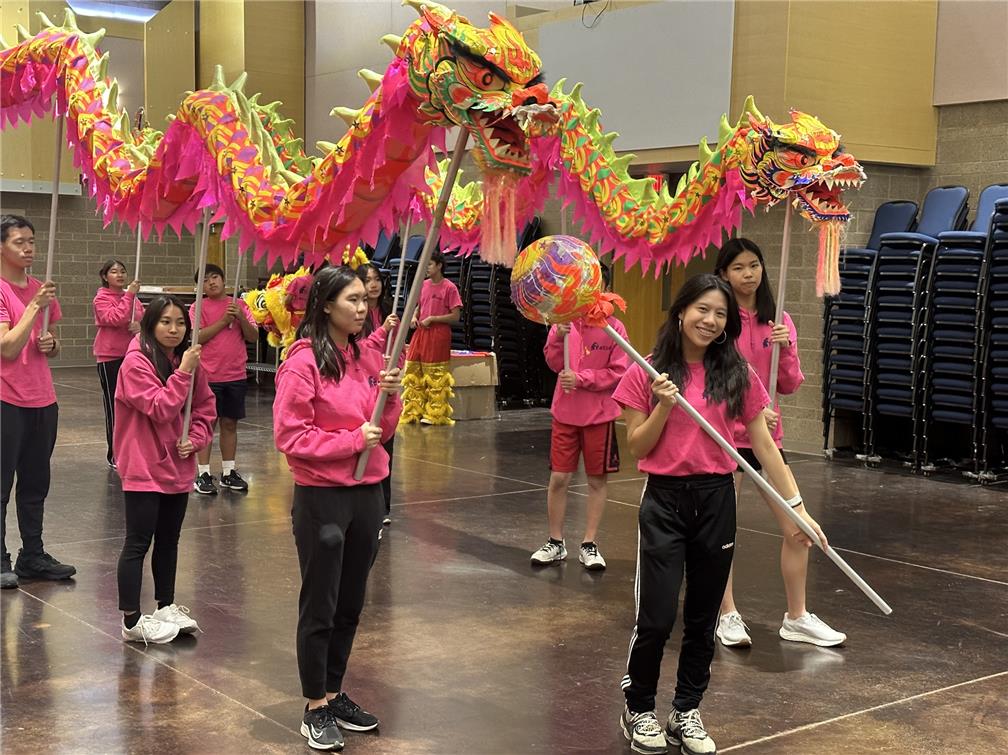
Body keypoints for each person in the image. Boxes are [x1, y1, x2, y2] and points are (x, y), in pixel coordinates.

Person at [611, 274, 828, 755]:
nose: (710, 321)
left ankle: (687, 709)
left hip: (716, 497)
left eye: (721, 315)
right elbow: (637, 445)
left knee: (704, 617)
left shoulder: (738, 374)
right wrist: (664, 407)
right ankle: (639, 708)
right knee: (657, 615)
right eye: (702, 310)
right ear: (682, 311)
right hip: (664, 499)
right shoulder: (644, 372)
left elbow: (766, 447)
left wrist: (798, 510)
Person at [273, 266, 402, 751]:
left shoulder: (363, 357)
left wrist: (389, 399)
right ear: (326, 305)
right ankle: (314, 706)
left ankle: (333, 690)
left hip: (368, 493)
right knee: (321, 603)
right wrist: (352, 440)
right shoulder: (302, 362)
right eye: (351, 299)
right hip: (322, 495)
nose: (362, 306)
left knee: (351, 602)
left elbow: (383, 430)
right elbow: (289, 435)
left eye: (364, 300)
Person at [713, 238, 846, 648]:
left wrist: (786, 350)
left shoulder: (777, 319)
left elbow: (787, 384)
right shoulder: (717, 320)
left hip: (768, 440)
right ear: (723, 275)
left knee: (798, 528)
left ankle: (797, 616)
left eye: (754, 265)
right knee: (722, 533)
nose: (748, 274)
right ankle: (727, 614)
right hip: (724, 438)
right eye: (738, 267)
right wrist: (748, 412)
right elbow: (709, 385)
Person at [114, 295, 215, 643]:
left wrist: (197, 439)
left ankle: (165, 605)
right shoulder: (135, 363)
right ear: (150, 324)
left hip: (178, 462)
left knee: (169, 540)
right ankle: (130, 621)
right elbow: (160, 407)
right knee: (138, 542)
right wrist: (185, 371)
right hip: (143, 463)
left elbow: (204, 408)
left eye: (180, 323)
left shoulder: (187, 360)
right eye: (165, 322)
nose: (174, 330)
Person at [531, 264, 628, 571]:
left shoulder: (615, 328)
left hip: (600, 415)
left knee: (597, 480)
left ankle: (589, 543)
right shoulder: (564, 322)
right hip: (565, 413)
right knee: (559, 477)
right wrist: (557, 338)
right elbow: (553, 362)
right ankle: (555, 542)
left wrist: (583, 378)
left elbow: (619, 372)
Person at [0, 214, 76, 589]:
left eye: (31, 241)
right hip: (6, 399)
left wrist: (53, 344)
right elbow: (8, 347)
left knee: (35, 483)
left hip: (43, 399)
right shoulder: (3, 291)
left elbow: (47, 344)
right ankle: (0, 558)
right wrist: (32, 307)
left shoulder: (41, 290)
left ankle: (33, 554)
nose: (28, 248)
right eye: (19, 242)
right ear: (1, 247)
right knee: (1, 483)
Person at [189, 264, 258, 495]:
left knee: (230, 423)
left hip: (235, 374)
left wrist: (240, 318)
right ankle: (203, 473)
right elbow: (196, 337)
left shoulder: (239, 305)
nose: (211, 282)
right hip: (208, 376)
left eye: (215, 277)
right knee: (207, 424)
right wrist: (221, 322)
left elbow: (253, 336)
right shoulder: (198, 307)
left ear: (223, 279)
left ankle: (228, 472)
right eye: (205, 280)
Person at [357, 262, 400, 526]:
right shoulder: (356, 314)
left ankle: (383, 504)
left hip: (385, 382)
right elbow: (360, 349)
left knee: (387, 442)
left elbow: (396, 345)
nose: (373, 284)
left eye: (376, 279)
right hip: (363, 381)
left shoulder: (389, 311)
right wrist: (382, 329)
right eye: (367, 280)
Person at [399, 251, 462, 426]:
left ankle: (435, 413)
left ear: (439, 265)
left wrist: (434, 318)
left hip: (438, 334)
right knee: (413, 370)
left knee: (435, 373)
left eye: (429, 264)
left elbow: (455, 316)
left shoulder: (449, 287)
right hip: (421, 332)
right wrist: (413, 316)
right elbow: (419, 306)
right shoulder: (423, 285)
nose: (426, 268)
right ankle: (413, 410)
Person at [93, 259, 144, 469]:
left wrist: (140, 325)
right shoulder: (101, 299)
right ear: (105, 276)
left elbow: (143, 318)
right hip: (110, 358)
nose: (120, 275)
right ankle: (115, 454)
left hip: (133, 355)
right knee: (115, 407)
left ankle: (134, 450)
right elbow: (115, 318)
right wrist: (130, 295)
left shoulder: (133, 298)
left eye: (123, 271)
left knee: (134, 406)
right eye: (114, 272)